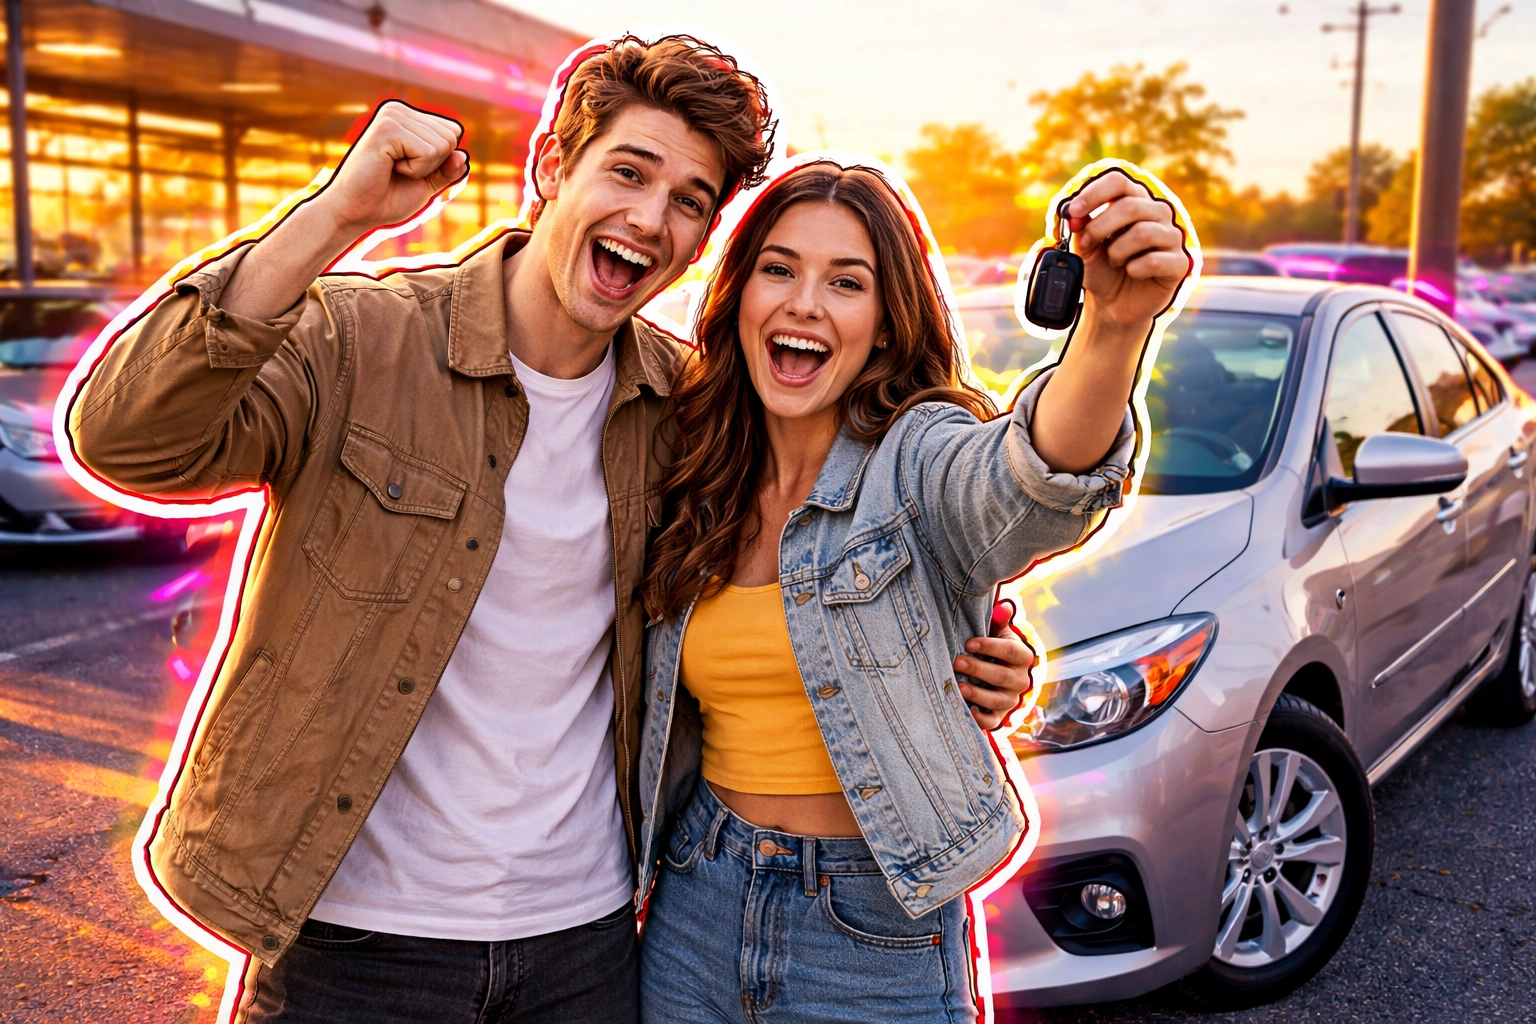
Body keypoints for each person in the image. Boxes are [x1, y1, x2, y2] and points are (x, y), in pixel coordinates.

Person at [68, 36, 1039, 1024]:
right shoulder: (361, 339)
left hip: (584, 950)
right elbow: (129, 439)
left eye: (691, 201)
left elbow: (824, 555)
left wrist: (957, 645)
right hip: (351, 944)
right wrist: (335, 214)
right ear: (550, 167)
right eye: (628, 170)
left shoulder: (684, 410)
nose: (649, 218)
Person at [634, 161, 1188, 1023]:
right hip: (696, 896)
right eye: (779, 269)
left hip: (872, 922)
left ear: (887, 327)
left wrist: (1112, 330)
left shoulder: (917, 455)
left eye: (846, 283)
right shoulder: (693, 469)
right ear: (739, 294)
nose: (804, 304)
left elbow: (1027, 484)